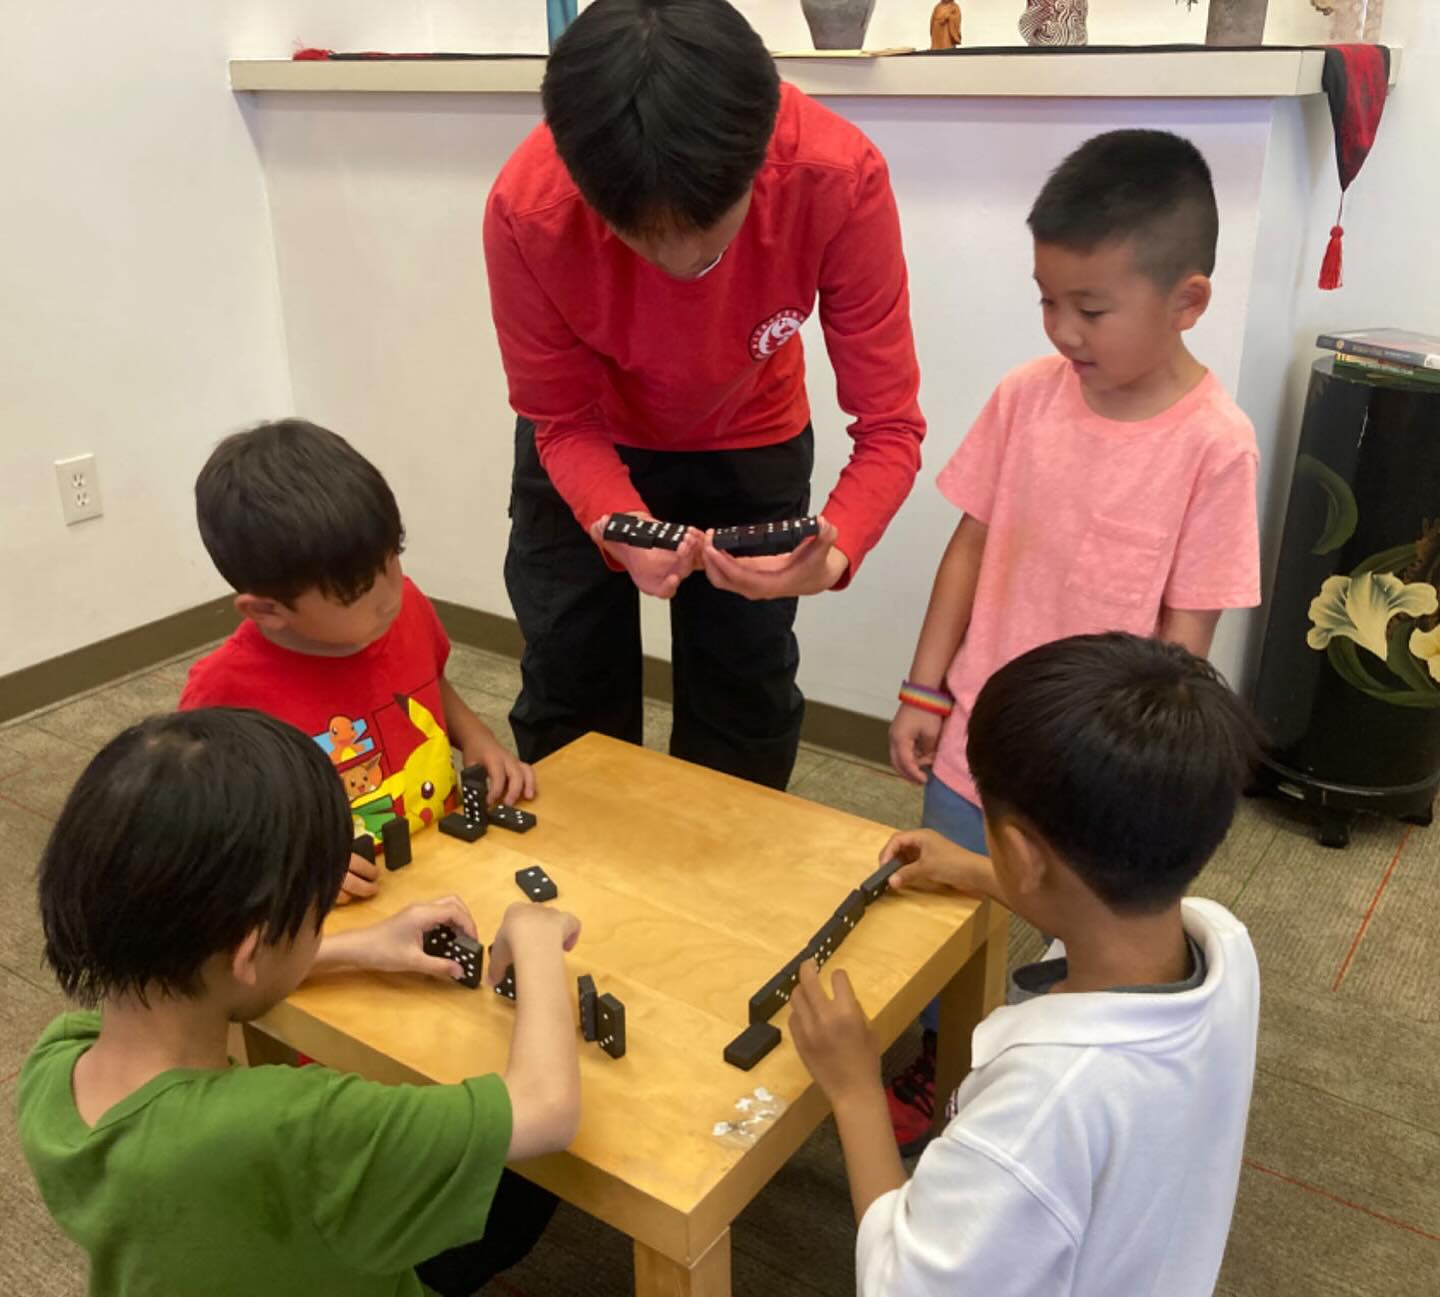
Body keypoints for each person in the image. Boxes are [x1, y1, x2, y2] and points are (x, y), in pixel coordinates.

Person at [883, 128, 1261, 1149]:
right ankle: (928, 1062)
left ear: (1186, 302)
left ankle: (1027, 1088)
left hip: (1095, 768)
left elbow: (1185, 641)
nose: (1062, 330)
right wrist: (925, 689)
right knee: (938, 914)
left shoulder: (1214, 446)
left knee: (1074, 957)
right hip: (975, 745)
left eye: (1090, 308)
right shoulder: (1023, 399)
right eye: (1046, 300)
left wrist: (1149, 774)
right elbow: (967, 549)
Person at [485, 0, 926, 790]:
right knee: (568, 688)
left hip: (751, 435)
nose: (680, 268)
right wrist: (609, 517)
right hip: (586, 440)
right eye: (639, 239)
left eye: (709, 233)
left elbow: (890, 425)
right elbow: (558, 417)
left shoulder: (836, 175)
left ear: (759, 164)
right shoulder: (529, 207)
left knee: (744, 702)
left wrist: (839, 547)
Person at [17, 708, 580, 1297]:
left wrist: (358, 946)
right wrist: (536, 940)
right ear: (250, 952)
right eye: (318, 914)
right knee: (525, 1189)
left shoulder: (54, 1067)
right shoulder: (295, 1126)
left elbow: (210, 971)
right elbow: (545, 1110)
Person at [792, 633, 1263, 1296]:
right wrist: (985, 872)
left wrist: (854, 1085)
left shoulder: (1040, 1111)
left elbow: (900, 1284)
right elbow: (1097, 912)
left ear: (1023, 848)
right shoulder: (1226, 943)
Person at [181, 419, 534, 904]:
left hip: (445, 860)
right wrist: (293, 870)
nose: (391, 595)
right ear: (269, 610)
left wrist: (478, 738)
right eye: (356, 592)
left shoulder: (405, 605)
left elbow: (431, 683)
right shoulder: (223, 695)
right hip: (343, 907)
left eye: (392, 558)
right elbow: (209, 835)